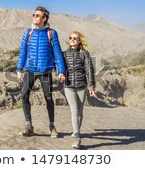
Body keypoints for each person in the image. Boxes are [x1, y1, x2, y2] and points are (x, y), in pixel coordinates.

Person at [16, 6, 66, 138]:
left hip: (45, 71)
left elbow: (57, 53)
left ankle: (51, 126)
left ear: (44, 18)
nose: (34, 17)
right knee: (24, 95)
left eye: (37, 15)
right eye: (34, 15)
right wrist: (19, 69)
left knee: (49, 98)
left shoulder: (51, 33)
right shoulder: (28, 33)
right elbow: (23, 52)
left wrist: (61, 70)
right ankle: (29, 125)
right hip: (30, 70)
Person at [62, 31, 96, 149]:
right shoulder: (64, 54)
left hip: (82, 86)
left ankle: (77, 130)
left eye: (75, 38)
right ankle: (77, 137)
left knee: (80, 112)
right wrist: (60, 74)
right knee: (74, 110)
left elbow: (89, 70)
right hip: (69, 86)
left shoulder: (84, 54)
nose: (72, 39)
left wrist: (91, 86)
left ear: (80, 40)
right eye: (70, 38)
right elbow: (60, 67)